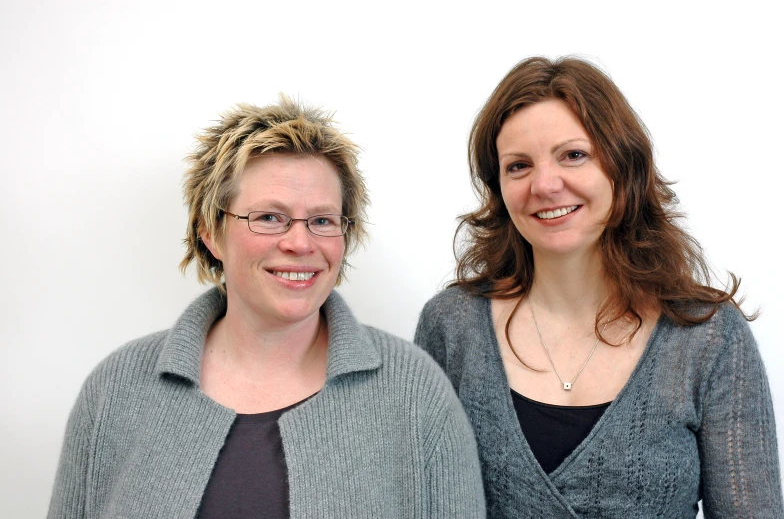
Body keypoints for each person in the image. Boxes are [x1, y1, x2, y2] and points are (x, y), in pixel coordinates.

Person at [48, 97, 485, 518]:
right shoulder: (115, 391)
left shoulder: (415, 395)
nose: (300, 242)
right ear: (211, 233)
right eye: (269, 217)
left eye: (322, 220)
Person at [415, 57, 782, 518]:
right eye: (519, 166)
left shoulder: (708, 337)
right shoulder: (450, 326)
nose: (545, 185)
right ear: (499, 189)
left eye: (573, 155)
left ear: (622, 167)